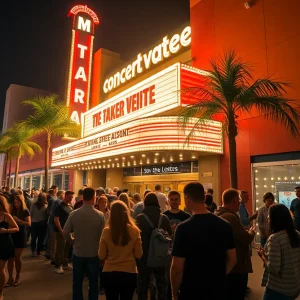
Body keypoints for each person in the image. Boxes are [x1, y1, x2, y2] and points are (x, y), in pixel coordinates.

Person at [171, 182, 236, 300]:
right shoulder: (225, 225)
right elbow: (232, 259)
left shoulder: (183, 228)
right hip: (218, 290)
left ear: (186, 200)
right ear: (205, 198)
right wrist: (219, 276)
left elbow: (177, 268)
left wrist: (174, 292)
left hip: (191, 290)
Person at [63, 187, 105, 300]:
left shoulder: (74, 214)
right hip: (94, 252)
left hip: (78, 252)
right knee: (93, 282)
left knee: (77, 282)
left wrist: (72, 241)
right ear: (93, 197)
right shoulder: (100, 215)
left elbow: (65, 231)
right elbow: (103, 235)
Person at [215, 188, 256, 299]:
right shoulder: (230, 217)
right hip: (236, 265)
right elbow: (245, 239)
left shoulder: (218, 214)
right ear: (234, 201)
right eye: (238, 200)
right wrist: (251, 231)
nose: (239, 203)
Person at [99, 200, 142, 299]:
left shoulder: (106, 231)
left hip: (109, 271)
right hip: (129, 271)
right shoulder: (135, 231)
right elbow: (139, 254)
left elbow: (101, 255)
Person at [258, 204, 300, 299]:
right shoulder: (296, 234)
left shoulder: (275, 239)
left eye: (269, 215)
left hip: (279, 290)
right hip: (294, 286)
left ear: (274, 219)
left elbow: (274, 269)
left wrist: (263, 256)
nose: (267, 218)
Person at [136, 192, 172, 300]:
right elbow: (169, 235)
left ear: (145, 203)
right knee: (162, 286)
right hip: (160, 256)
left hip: (144, 257)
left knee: (143, 287)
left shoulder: (139, 219)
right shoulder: (164, 218)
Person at [163, 191, 190, 300]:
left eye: (176, 199)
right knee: (167, 280)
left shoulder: (186, 216)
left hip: (182, 252)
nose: (174, 201)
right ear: (168, 201)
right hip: (166, 251)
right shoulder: (163, 216)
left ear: (180, 201)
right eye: (172, 199)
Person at [7, 195, 31, 287]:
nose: (16, 204)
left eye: (18, 202)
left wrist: (18, 220)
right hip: (11, 234)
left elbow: (28, 224)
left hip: (20, 235)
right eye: (15, 202)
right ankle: (10, 277)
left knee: (17, 257)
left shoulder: (25, 211)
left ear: (21, 202)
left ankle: (17, 276)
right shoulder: (11, 210)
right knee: (10, 258)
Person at [0, 196, 19, 300]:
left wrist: (6, 231)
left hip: (4, 243)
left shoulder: (6, 216)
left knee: (1, 268)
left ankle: (1, 292)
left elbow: (17, 228)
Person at [54, 190, 74, 274]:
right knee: (60, 248)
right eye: (69, 197)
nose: (71, 199)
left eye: (72, 197)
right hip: (61, 231)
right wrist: (61, 230)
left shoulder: (70, 206)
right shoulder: (59, 206)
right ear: (65, 196)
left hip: (69, 230)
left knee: (67, 247)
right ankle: (58, 266)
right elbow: (56, 219)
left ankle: (65, 263)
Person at [30, 192, 48, 257]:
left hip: (34, 223)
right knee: (41, 238)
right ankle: (38, 251)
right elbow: (46, 215)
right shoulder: (46, 205)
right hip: (42, 223)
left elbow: (30, 213)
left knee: (33, 238)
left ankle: (33, 251)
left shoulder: (33, 204)